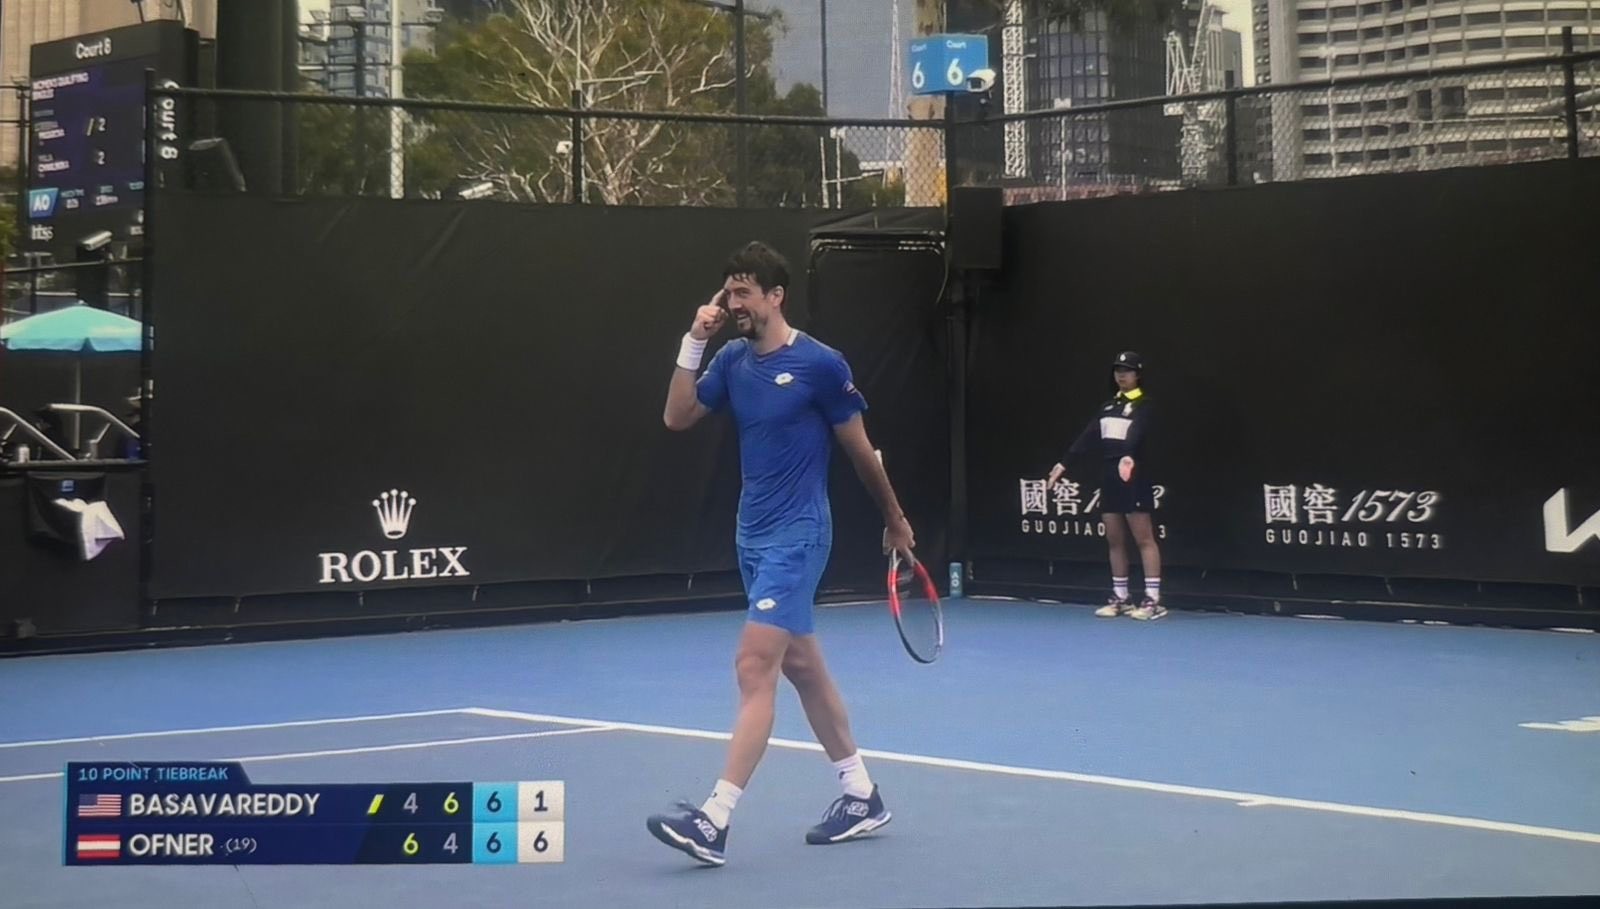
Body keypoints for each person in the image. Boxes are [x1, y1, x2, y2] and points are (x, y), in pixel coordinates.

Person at [648, 240, 915, 867]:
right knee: (802, 668)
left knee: (753, 667)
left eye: (746, 292)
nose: (735, 303)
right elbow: (676, 416)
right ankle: (861, 794)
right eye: (729, 292)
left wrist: (896, 520)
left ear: (776, 297)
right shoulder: (733, 361)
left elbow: (860, 450)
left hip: (800, 536)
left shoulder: (821, 365)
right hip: (752, 538)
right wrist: (695, 340)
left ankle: (714, 819)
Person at [1046, 351, 1166, 621]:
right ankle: (1121, 597)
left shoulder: (1145, 404)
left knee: (1143, 538)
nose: (1121, 374)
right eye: (1117, 370)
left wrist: (1127, 456)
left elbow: (1137, 433)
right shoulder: (1108, 406)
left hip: (1133, 474)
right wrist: (1063, 464)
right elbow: (1087, 437)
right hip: (1110, 477)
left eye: (1127, 370)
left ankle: (1153, 600)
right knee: (1114, 539)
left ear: (1137, 375)